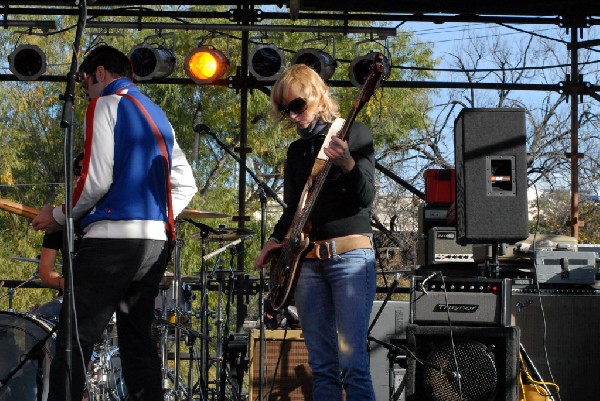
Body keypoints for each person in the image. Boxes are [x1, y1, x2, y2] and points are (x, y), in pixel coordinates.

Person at [32, 45, 197, 401]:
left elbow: (94, 181)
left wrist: (57, 216)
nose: (86, 91)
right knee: (138, 343)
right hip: (155, 245)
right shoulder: (157, 114)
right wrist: (155, 218)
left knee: (75, 337)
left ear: (101, 74)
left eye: (86, 82)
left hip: (111, 244)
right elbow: (187, 184)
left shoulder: (105, 104)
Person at [254, 64, 377, 401]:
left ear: (318, 96)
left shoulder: (354, 132)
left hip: (350, 257)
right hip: (307, 263)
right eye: (285, 109)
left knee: (353, 365)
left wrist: (348, 164)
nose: (292, 116)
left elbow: (366, 198)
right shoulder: (296, 152)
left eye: (297, 106)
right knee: (322, 367)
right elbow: (293, 211)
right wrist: (273, 243)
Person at [34, 152, 84, 321]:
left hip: (102, 299)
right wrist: (65, 284)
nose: (81, 175)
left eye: (87, 171)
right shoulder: (58, 219)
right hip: (68, 300)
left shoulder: (108, 218)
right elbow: (45, 271)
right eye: (78, 170)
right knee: (37, 319)